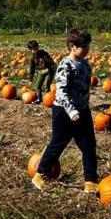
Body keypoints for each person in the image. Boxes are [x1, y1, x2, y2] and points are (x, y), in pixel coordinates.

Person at [32, 29, 98, 193]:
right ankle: (39, 175)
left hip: (82, 110)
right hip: (64, 111)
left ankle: (90, 181)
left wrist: (83, 107)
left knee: (89, 145)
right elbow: (62, 91)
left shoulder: (85, 63)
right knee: (58, 143)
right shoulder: (65, 65)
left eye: (88, 45)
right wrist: (71, 111)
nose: (87, 49)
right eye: (84, 46)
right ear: (72, 46)